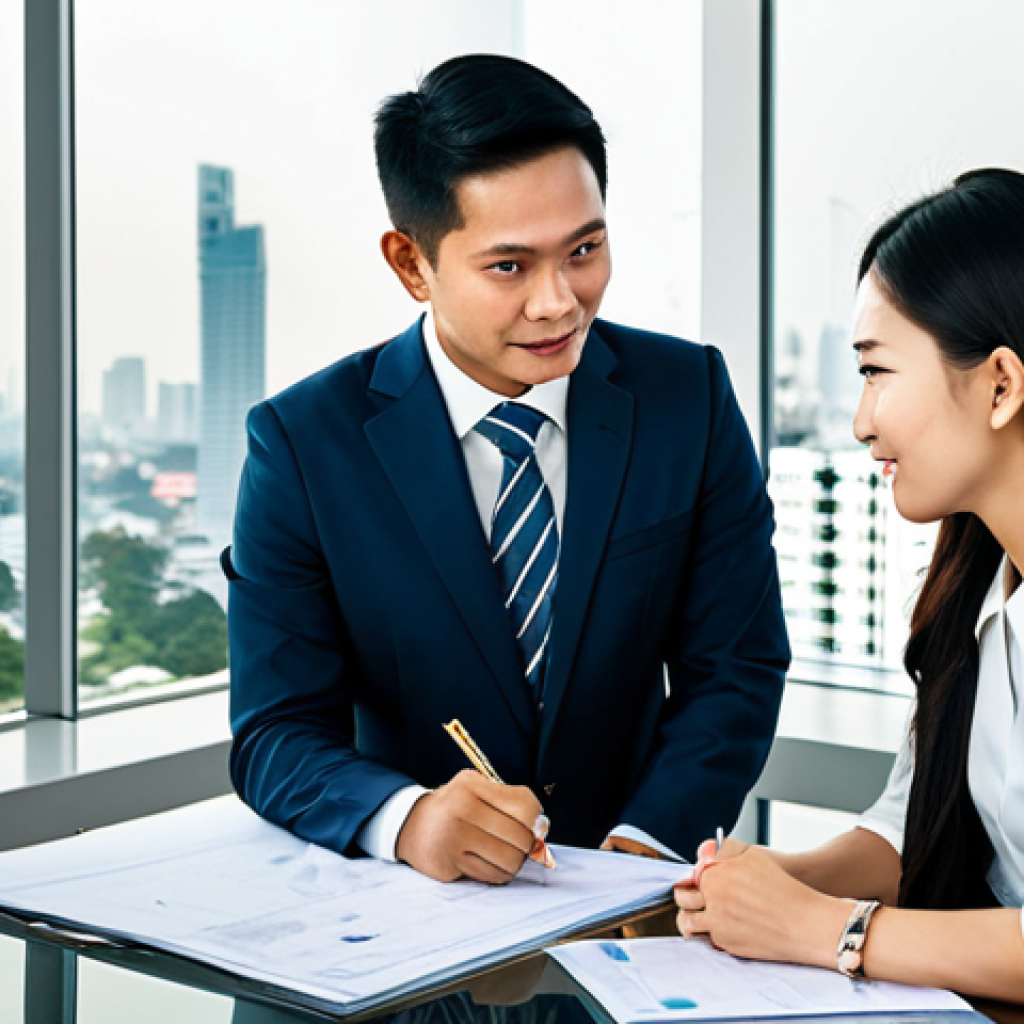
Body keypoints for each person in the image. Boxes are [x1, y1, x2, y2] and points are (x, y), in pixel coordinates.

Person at [224, 54, 789, 886]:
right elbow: (275, 732)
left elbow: (735, 667)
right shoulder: (304, 444)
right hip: (406, 915)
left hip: (635, 904)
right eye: (509, 266)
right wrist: (406, 819)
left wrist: (642, 850)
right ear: (412, 264)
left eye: (585, 249)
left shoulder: (687, 398)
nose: (560, 301)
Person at [675, 168, 1024, 1001]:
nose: (861, 421)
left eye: (876, 372)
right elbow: (912, 831)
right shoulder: (972, 591)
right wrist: (769, 886)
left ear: (1001, 384)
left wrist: (826, 931)